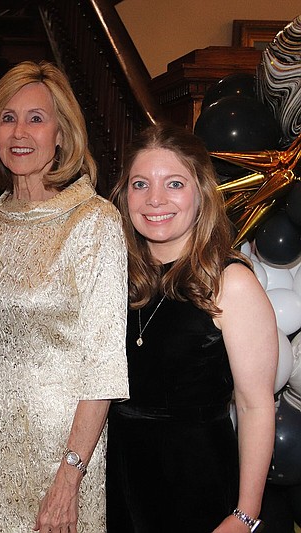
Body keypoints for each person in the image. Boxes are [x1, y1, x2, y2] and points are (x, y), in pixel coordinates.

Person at [0, 60, 130, 532]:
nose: (19, 132)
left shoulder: (94, 221)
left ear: (62, 133)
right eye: (7, 117)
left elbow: (104, 366)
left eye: (36, 118)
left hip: (62, 456)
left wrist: (70, 478)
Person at [106, 123, 277, 532]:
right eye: (140, 184)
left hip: (197, 485)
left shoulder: (230, 281)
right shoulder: (112, 276)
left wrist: (246, 514)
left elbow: (255, 405)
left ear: (201, 193)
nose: (155, 200)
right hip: (116, 480)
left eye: (175, 183)